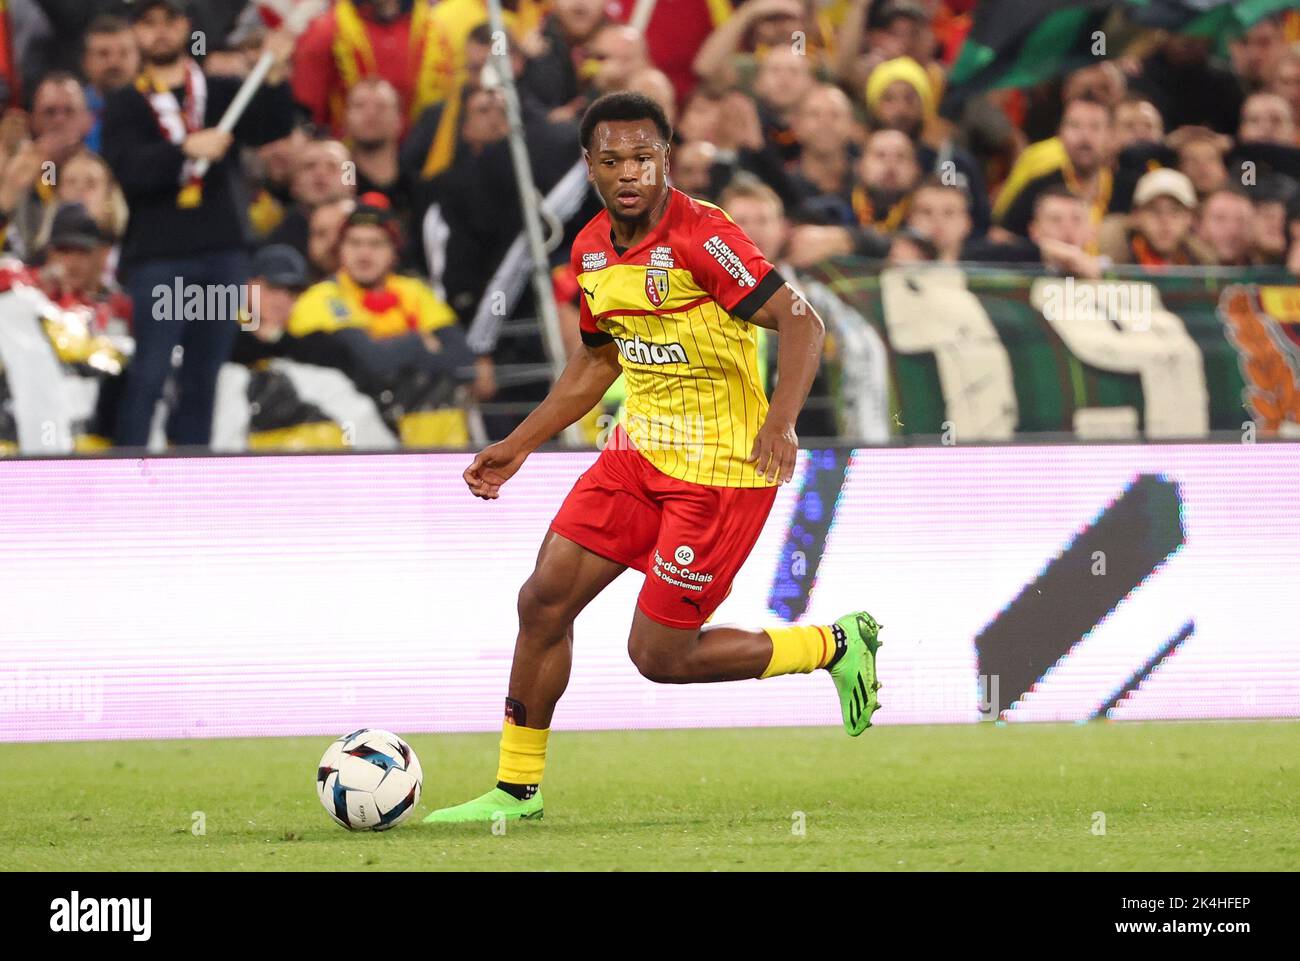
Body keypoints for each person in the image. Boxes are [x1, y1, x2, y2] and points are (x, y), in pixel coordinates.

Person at [423, 92, 882, 825]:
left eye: (643, 157)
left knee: (660, 656)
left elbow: (801, 319)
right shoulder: (591, 252)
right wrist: (518, 444)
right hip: (635, 456)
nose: (629, 172)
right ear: (591, 166)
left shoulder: (705, 236)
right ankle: (516, 789)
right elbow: (596, 365)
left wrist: (783, 422)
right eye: (612, 160)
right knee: (542, 600)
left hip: (721, 471)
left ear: (665, 158)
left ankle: (831, 643)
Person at [102, 0, 295, 448]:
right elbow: (128, 167)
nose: (160, 31)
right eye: (148, 22)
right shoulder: (125, 104)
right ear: (135, 32)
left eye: (169, 20)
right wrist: (187, 149)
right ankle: (127, 473)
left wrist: (276, 74)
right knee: (150, 370)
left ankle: (190, 476)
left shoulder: (220, 90)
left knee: (203, 374)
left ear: (185, 25)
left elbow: (272, 125)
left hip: (221, 253)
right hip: (158, 259)